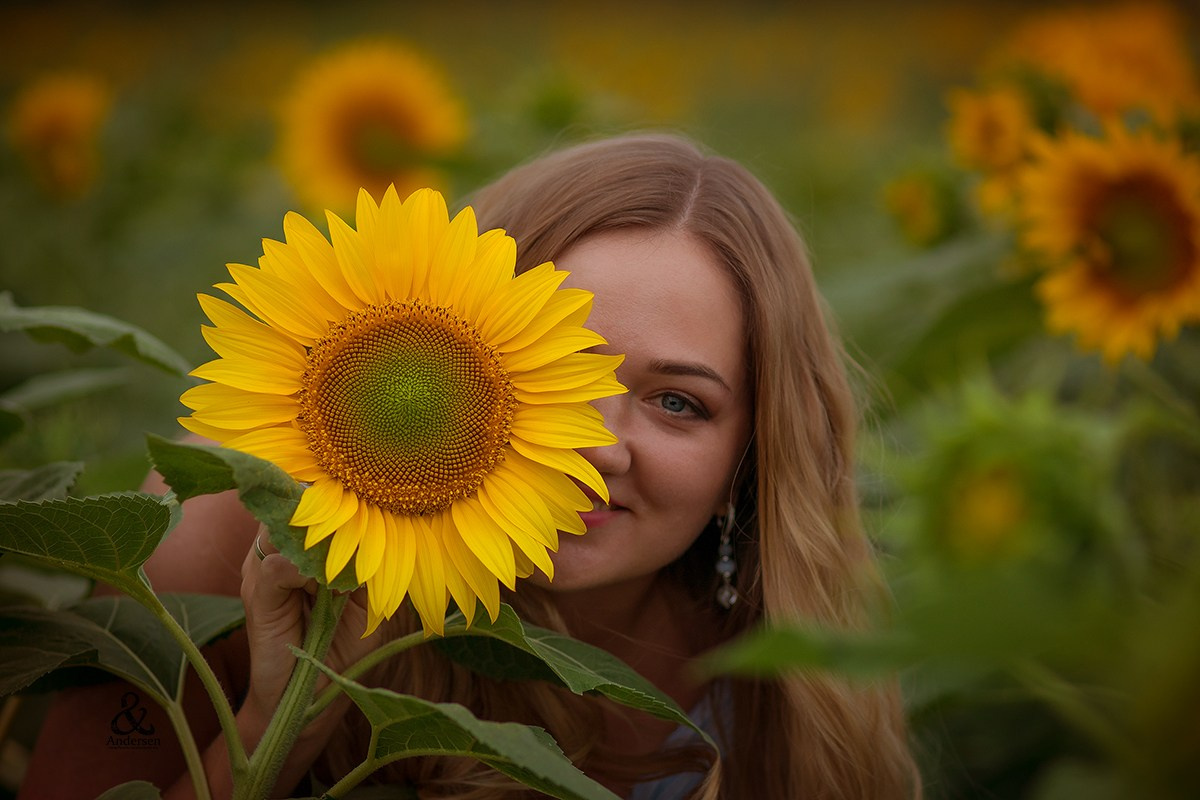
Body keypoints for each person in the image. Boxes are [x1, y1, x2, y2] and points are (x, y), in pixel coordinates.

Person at [20, 133, 920, 799]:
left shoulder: (786, 676)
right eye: (559, 369)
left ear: (752, 456)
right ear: (435, 334)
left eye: (678, 402)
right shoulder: (238, 521)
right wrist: (281, 713)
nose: (596, 444)